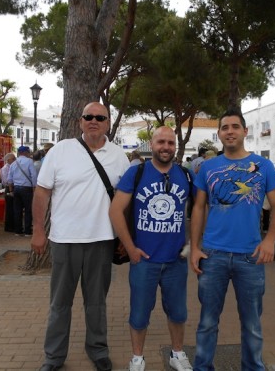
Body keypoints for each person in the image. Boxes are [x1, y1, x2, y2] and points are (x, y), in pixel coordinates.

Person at [31, 102, 129, 371]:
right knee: (60, 303)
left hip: (102, 240)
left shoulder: (119, 156)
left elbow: (125, 202)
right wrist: (39, 230)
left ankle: (98, 351)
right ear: (80, 121)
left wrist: (124, 238)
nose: (94, 121)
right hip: (64, 240)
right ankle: (53, 357)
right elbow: (42, 192)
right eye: (89, 116)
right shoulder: (61, 151)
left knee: (96, 303)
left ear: (108, 123)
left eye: (100, 117)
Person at [190, 111, 275, 371]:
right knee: (208, 322)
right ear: (219, 134)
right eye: (224, 127)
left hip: (250, 256)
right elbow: (198, 208)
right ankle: (202, 367)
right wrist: (195, 248)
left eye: (235, 126)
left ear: (245, 131)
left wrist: (270, 241)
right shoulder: (208, 167)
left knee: (252, 324)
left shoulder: (263, 166)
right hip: (212, 255)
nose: (229, 131)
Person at [109, 127, 194, 371]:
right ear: (151, 144)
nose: (165, 147)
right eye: (161, 142)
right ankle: (137, 358)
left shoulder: (185, 175)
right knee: (139, 314)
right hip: (144, 260)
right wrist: (130, 248)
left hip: (176, 260)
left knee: (178, 313)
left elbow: (201, 209)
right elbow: (115, 211)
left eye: (170, 142)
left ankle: (177, 354)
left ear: (175, 145)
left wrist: (192, 244)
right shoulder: (137, 173)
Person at [7, 146, 37, 236]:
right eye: (28, 152)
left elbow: (9, 179)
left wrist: (11, 190)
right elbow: (34, 176)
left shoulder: (13, 163)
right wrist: (34, 188)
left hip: (16, 188)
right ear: (25, 152)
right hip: (27, 188)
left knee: (17, 210)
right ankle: (27, 231)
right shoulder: (29, 161)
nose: (29, 154)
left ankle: (18, 231)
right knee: (28, 210)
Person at [0, 153, 16, 233]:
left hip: (12, 187)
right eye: (13, 159)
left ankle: (12, 225)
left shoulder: (12, 167)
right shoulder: (5, 168)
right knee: (9, 208)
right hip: (8, 188)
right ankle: (9, 226)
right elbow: (6, 180)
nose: (15, 160)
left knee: (13, 208)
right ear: (9, 160)